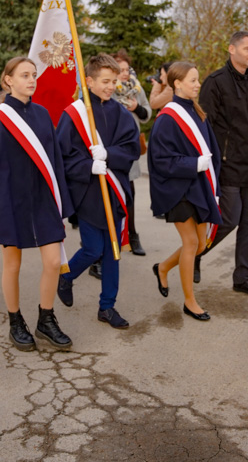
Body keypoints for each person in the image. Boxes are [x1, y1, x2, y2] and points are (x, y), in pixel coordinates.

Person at [0, 57, 73, 351]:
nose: (31, 80)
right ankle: (15, 320)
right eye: (24, 75)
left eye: (34, 75)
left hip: (43, 198)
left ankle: (45, 320)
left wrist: (62, 201)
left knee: (53, 261)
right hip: (12, 201)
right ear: (8, 80)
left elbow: (55, 160)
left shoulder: (43, 113)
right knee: (12, 265)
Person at [56, 54, 140, 328]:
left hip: (113, 191)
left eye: (114, 81)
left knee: (113, 250)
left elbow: (131, 148)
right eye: (105, 81)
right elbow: (63, 157)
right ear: (88, 81)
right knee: (93, 249)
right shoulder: (74, 114)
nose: (110, 86)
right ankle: (66, 277)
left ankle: (107, 307)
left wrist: (109, 154)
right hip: (87, 192)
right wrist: (87, 167)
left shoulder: (120, 113)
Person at [196, 31, 248, 295]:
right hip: (226, 165)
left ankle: (242, 278)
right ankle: (194, 253)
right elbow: (205, 126)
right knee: (228, 219)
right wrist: (211, 164)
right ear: (232, 49)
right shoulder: (215, 82)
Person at [148, 62, 222, 321]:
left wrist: (214, 184)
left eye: (197, 79)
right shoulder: (167, 118)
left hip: (199, 187)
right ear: (177, 83)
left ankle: (163, 267)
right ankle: (190, 302)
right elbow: (160, 160)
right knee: (191, 243)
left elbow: (213, 152)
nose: (198, 84)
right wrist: (194, 164)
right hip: (177, 189)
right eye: (193, 80)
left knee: (201, 244)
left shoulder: (198, 112)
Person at [112, 50, 150, 257]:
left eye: (127, 69)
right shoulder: (108, 88)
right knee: (112, 196)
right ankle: (112, 237)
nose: (125, 73)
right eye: (120, 70)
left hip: (131, 145)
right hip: (112, 147)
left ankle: (133, 236)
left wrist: (136, 108)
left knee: (130, 194)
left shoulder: (135, 88)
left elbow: (146, 111)